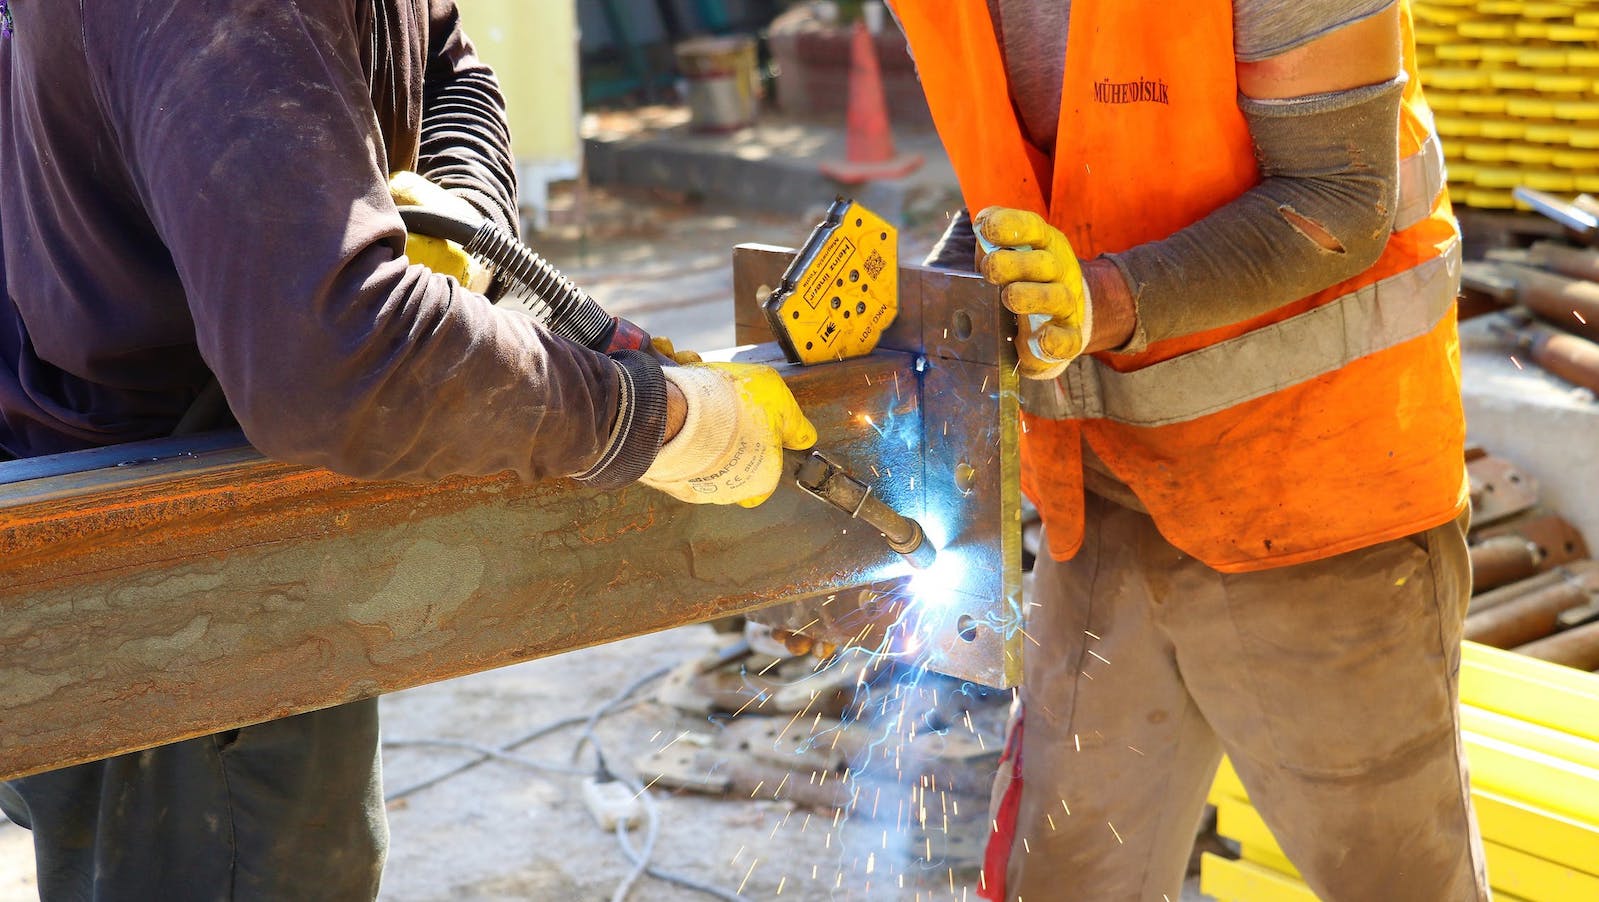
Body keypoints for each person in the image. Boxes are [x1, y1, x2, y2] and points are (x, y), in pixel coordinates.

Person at [0, 1, 813, 898]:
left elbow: (444, 63)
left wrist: (458, 214)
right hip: (165, 554)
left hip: (245, 491)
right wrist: (655, 423)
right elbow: (329, 367)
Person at [895, 2, 1487, 900]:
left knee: (1393, 880)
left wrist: (1099, 299)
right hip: (1099, 493)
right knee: (1068, 878)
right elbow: (1051, 168)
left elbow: (1338, 197)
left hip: (1311, 497)